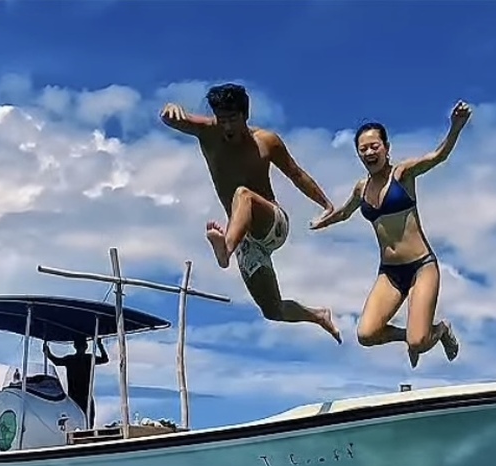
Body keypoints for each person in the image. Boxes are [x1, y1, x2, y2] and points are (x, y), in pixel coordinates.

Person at [160, 83, 342, 343]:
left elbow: (296, 174)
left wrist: (326, 204)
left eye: (233, 119)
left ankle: (225, 249)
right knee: (273, 310)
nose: (227, 127)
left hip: (272, 224)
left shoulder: (266, 142)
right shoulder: (206, 131)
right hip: (244, 239)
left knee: (242, 194)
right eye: (221, 119)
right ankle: (319, 315)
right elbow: (171, 119)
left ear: (245, 115)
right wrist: (169, 109)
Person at [309, 101, 472, 368]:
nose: (369, 152)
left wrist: (455, 127)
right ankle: (411, 335)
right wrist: (322, 222)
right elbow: (345, 212)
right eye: (363, 149)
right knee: (367, 334)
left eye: (374, 146)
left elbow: (438, 156)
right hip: (390, 272)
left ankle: (441, 330)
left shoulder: (402, 175)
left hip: (421, 266)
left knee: (419, 342)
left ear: (386, 148)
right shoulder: (362, 188)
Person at [43, 337, 108, 428]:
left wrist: (48, 353)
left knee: (85, 416)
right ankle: (85, 430)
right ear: (85, 346)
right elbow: (105, 359)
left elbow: (56, 361)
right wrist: (100, 345)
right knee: (86, 416)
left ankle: (85, 430)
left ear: (75, 346)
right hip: (80, 394)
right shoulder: (85, 358)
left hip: (80, 394)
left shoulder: (79, 359)